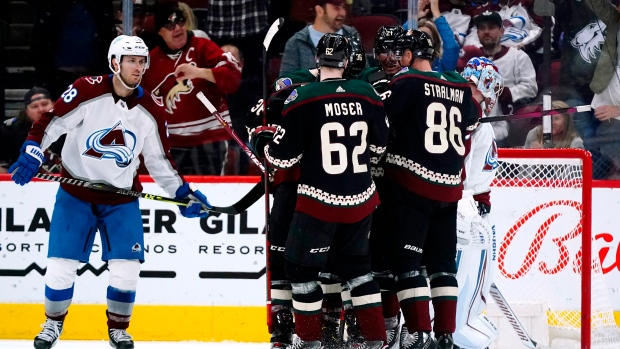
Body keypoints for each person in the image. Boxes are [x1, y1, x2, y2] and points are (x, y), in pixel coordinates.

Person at [8, 35, 212, 349]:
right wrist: (33, 150)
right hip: (75, 194)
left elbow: (159, 161)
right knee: (61, 267)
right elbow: (53, 122)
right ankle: (51, 324)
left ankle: (118, 329)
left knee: (127, 270)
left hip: (121, 200)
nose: (138, 67)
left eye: (142, 61)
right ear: (114, 63)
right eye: (131, 60)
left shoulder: (150, 110)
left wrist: (182, 193)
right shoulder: (87, 90)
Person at [257, 33, 389, 349]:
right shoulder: (366, 92)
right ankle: (374, 340)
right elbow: (379, 147)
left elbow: (283, 157)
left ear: (318, 60)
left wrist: (263, 143)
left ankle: (309, 340)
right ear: (346, 62)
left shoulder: (303, 98)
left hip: (318, 201)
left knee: (300, 270)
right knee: (359, 271)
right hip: (361, 199)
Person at [383, 29, 480, 349]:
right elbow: (472, 124)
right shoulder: (459, 86)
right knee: (441, 265)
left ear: (409, 56)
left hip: (412, 187)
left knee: (406, 264)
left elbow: (382, 123)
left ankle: (419, 332)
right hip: (449, 191)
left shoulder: (406, 82)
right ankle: (445, 335)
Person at [141, 1, 242, 175]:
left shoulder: (203, 47)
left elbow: (233, 78)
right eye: (170, 25)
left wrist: (200, 72)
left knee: (211, 197)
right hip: (170, 145)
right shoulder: (150, 62)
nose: (178, 29)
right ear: (159, 31)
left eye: (180, 21)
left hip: (209, 141)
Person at [453, 57, 503, 349]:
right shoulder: (462, 117)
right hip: (457, 210)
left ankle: (465, 336)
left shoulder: (481, 126)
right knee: (450, 286)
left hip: (472, 213)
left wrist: (477, 203)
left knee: (472, 289)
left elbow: (478, 180)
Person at [457, 10, 538, 147]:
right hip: (478, 113)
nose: (486, 32)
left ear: (502, 31)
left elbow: (531, 87)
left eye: (491, 27)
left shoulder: (518, 56)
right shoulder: (472, 58)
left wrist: (506, 92)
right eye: (482, 28)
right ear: (477, 34)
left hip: (509, 114)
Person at [279, 0, 360, 76]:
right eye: (337, 8)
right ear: (319, 11)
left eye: (344, 7)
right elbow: (284, 85)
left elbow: (363, 76)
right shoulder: (297, 42)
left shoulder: (351, 36)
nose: (343, 13)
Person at [0, 87, 57, 174]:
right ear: (26, 112)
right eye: (34, 106)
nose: (41, 110)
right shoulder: (11, 131)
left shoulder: (72, 126)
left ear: (53, 105)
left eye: (45, 104)